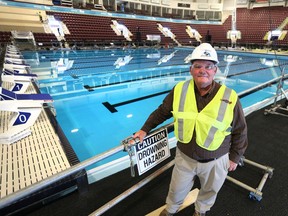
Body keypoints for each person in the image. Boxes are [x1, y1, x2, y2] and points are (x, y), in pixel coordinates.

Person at [133, 43, 248, 216]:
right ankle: (170, 210)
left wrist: (234, 157)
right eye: (198, 66)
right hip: (185, 157)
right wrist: (144, 129)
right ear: (191, 69)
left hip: (216, 160)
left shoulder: (230, 96)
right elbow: (162, 112)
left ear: (215, 70)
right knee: (176, 189)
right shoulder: (180, 89)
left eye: (208, 66)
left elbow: (240, 130)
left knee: (210, 191)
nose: (203, 70)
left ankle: (201, 211)